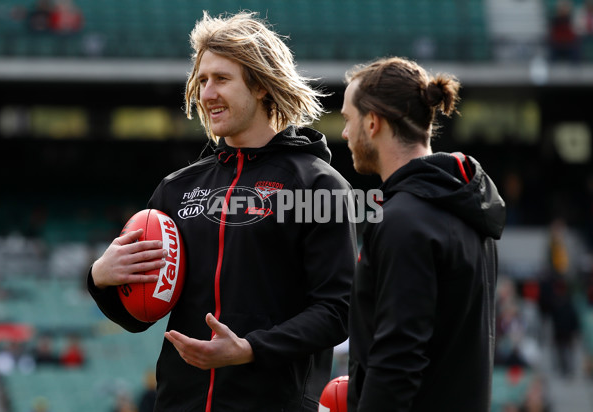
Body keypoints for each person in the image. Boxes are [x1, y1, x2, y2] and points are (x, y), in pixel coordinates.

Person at [87, 11, 357, 412]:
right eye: (201, 80)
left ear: (262, 85)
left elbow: (338, 311)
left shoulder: (318, 186)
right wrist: (101, 279)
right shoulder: (177, 189)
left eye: (221, 79)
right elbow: (139, 316)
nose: (205, 93)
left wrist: (249, 349)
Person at [341, 57, 506, 411]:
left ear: (372, 123)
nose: (344, 134)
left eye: (346, 120)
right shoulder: (466, 207)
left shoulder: (401, 221)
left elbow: (396, 364)